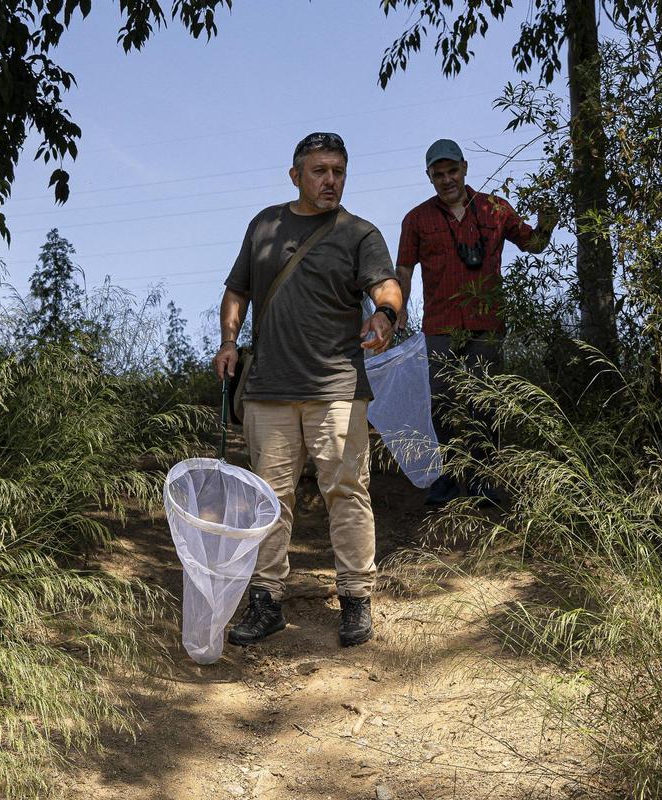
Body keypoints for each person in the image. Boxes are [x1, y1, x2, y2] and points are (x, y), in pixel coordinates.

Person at [212, 132, 403, 648]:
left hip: (338, 387)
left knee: (346, 492)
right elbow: (238, 290)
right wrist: (229, 341)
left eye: (338, 171)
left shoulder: (359, 234)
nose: (330, 181)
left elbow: (386, 287)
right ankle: (266, 600)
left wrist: (385, 315)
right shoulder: (265, 226)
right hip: (269, 387)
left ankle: (356, 600)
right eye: (319, 171)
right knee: (268, 499)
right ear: (295, 175)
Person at [395, 138, 555, 506]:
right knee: (444, 402)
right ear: (429, 177)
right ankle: (450, 478)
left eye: (452, 171)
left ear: (465, 168)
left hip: (487, 322)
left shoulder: (495, 209)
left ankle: (486, 481)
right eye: (439, 174)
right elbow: (404, 267)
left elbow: (532, 243)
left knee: (486, 402)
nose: (447, 179)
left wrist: (547, 224)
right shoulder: (416, 219)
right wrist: (399, 307)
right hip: (440, 324)